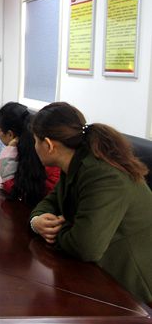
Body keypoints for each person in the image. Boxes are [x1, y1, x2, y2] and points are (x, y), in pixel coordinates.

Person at [29, 102, 152, 304]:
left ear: (49, 145)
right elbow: (51, 201)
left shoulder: (102, 174)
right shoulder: (77, 162)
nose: (34, 147)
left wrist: (53, 231)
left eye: (35, 141)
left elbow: (85, 246)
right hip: (101, 273)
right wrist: (37, 221)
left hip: (134, 289)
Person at [0, 102, 60, 206]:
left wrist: (3, 180)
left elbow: (19, 190)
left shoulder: (42, 155)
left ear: (10, 134)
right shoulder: (20, 146)